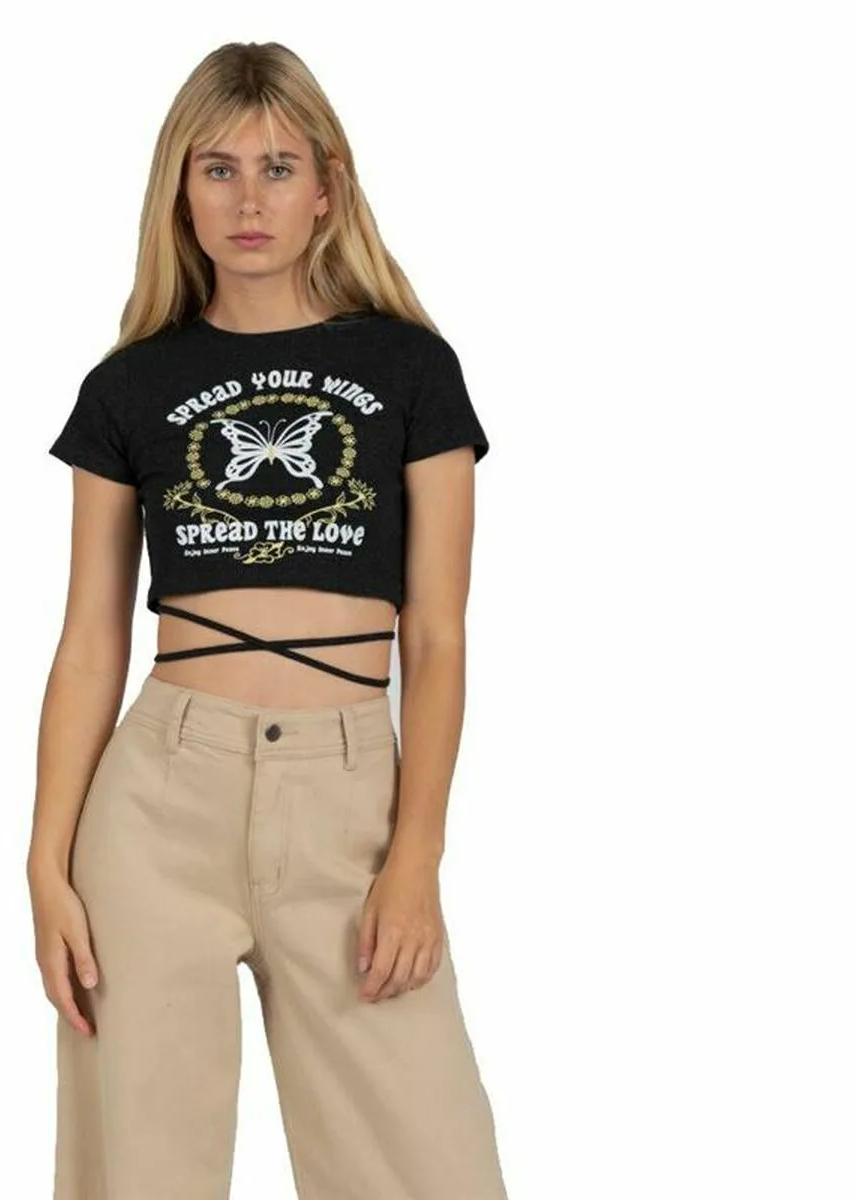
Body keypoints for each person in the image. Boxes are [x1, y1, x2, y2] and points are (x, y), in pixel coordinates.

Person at [28, 40, 510, 1200]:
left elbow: (437, 638)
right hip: (158, 801)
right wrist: (46, 862)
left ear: (327, 188)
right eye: (219, 169)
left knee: (429, 1168)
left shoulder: (410, 369)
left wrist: (418, 855)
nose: (249, 201)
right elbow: (90, 643)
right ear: (180, 192)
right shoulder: (128, 386)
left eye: (279, 168)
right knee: (138, 1173)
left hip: (350, 803)